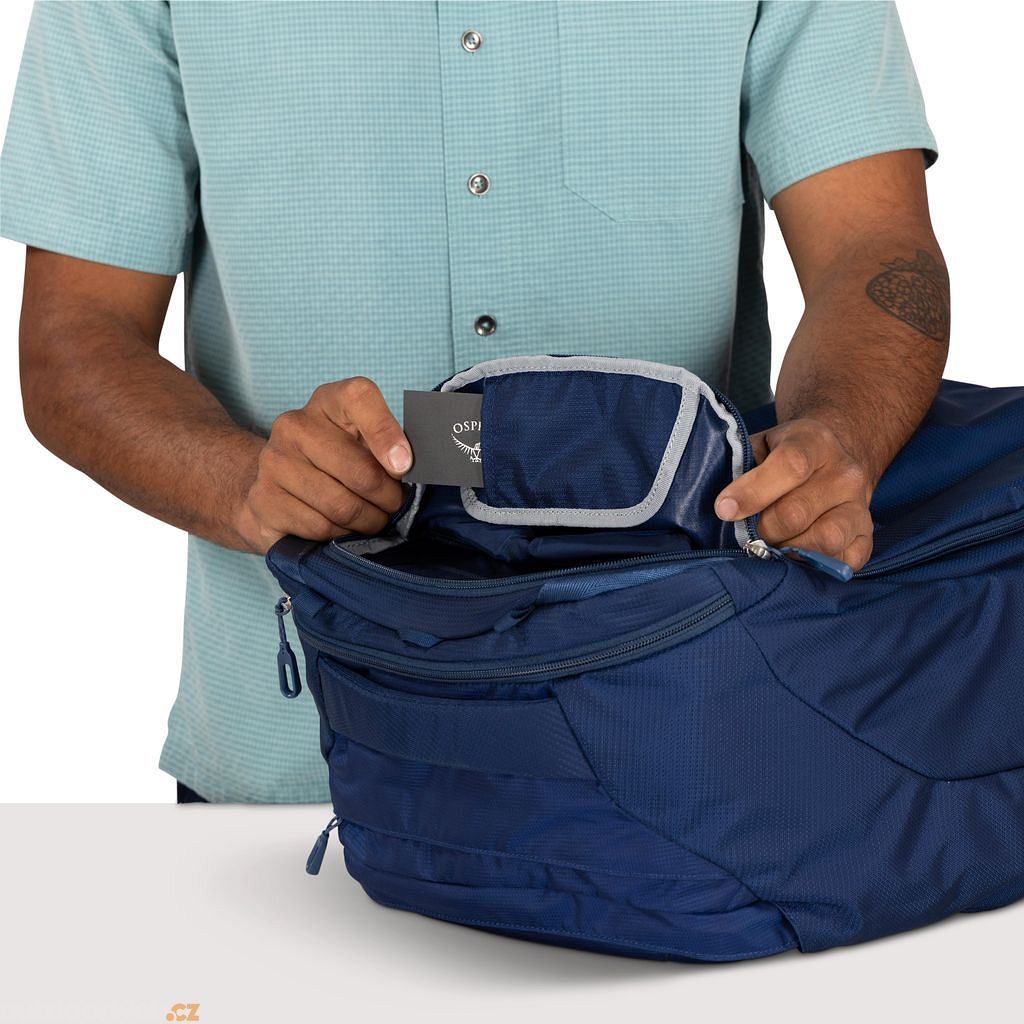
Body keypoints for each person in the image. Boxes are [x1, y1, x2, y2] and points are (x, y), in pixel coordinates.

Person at [0, 1, 947, 804]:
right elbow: (73, 333)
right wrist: (244, 482)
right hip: (300, 772)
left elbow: (876, 246)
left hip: (686, 748)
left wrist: (842, 432)